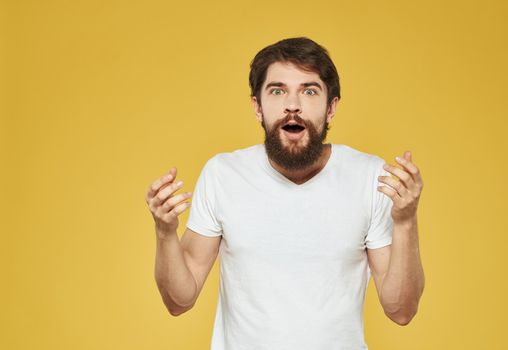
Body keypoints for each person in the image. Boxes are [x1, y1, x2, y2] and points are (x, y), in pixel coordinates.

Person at [146, 37, 425, 350]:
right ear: (258, 107)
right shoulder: (223, 174)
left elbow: (401, 310)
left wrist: (405, 221)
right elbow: (179, 301)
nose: (293, 105)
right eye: (277, 91)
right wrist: (165, 232)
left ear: (331, 107)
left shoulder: (370, 177)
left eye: (309, 90)